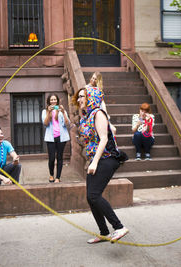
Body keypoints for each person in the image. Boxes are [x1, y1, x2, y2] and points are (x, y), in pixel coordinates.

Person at [73, 86, 129, 244]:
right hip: (97, 159)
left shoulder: (98, 113)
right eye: (79, 97)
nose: (79, 99)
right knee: (90, 198)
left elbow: (104, 138)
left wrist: (95, 162)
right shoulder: (87, 116)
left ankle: (119, 227)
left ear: (91, 97)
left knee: (94, 195)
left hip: (107, 158)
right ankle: (104, 233)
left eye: (82, 96)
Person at [42, 94, 70, 183]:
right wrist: (49, 113)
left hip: (61, 138)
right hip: (50, 138)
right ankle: (51, 175)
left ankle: (58, 177)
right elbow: (45, 124)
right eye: (51, 100)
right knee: (51, 158)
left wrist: (64, 112)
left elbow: (67, 123)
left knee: (60, 157)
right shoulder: (44, 111)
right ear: (49, 101)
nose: (53, 101)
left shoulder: (62, 111)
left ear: (57, 101)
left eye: (55, 99)